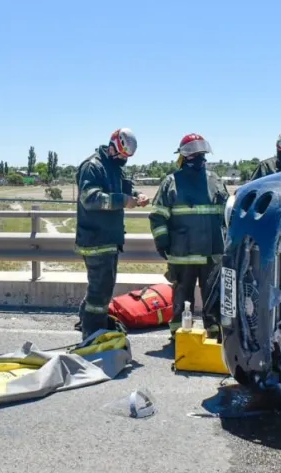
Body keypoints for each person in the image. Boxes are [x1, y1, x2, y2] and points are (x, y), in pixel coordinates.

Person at [149, 133, 230, 343]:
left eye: (202, 154)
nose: (200, 158)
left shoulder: (215, 181)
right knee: (181, 299)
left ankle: (214, 333)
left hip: (211, 254)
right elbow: (158, 216)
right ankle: (179, 336)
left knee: (213, 298)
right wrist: (162, 241)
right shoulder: (171, 182)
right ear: (185, 157)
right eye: (195, 154)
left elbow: (227, 215)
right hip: (182, 255)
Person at [74, 128, 149, 340]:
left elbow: (126, 187)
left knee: (101, 288)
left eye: (127, 157)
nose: (123, 159)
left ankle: (86, 323)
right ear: (112, 145)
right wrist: (123, 201)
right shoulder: (93, 167)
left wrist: (136, 194)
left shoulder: (115, 167)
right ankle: (93, 335)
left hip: (109, 239)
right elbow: (90, 199)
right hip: (95, 240)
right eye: (122, 155)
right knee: (100, 292)